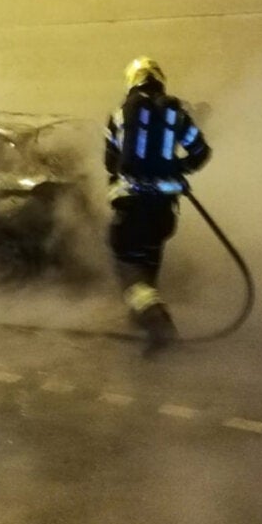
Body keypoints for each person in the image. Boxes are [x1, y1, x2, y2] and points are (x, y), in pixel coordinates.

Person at [104, 57, 210, 347]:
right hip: (163, 211)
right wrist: (176, 168)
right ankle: (144, 317)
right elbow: (201, 153)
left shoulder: (120, 115)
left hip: (131, 207)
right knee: (149, 262)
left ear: (131, 81)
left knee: (128, 270)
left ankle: (156, 321)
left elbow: (111, 162)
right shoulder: (177, 114)